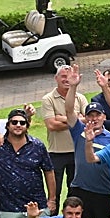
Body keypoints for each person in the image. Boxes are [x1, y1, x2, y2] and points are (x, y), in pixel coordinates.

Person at [39, 63, 87, 210]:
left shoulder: (80, 98)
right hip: (56, 153)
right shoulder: (48, 99)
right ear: (56, 78)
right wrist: (74, 119)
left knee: (75, 191)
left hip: (76, 152)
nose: (66, 80)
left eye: (69, 76)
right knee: (55, 192)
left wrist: (61, 118)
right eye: (63, 76)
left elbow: (88, 121)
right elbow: (51, 125)